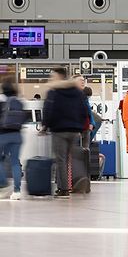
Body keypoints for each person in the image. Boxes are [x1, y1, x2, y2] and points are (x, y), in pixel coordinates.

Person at [41, 67, 89, 198]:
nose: (51, 78)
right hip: (74, 130)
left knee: (61, 160)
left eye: (53, 75)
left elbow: (48, 109)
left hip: (59, 130)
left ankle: (64, 189)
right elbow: (84, 110)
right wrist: (80, 127)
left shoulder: (54, 90)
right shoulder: (77, 91)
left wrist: (45, 126)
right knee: (70, 158)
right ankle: (78, 182)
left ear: (59, 76)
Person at [0, 80, 25, 200]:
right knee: (15, 162)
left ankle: (3, 185)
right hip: (17, 135)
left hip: (3, 135)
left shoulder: (1, 101)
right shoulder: (19, 102)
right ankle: (17, 191)